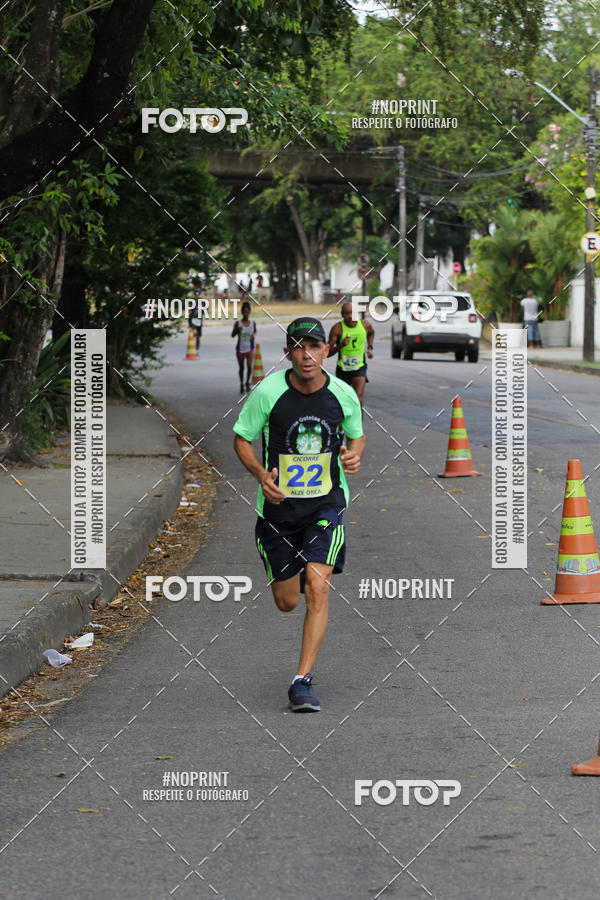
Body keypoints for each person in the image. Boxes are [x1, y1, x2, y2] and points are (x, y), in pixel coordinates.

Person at [233, 316, 365, 712]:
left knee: (318, 586)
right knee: (288, 601)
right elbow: (241, 438)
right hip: (277, 510)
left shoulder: (343, 394)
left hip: (326, 504)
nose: (307, 355)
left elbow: (356, 435)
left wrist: (355, 454)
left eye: (315, 347)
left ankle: (301, 681)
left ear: (327, 350)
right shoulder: (268, 393)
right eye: (298, 347)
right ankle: (300, 577)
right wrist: (260, 474)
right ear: (288, 352)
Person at [327, 301, 374, 408]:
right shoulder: (337, 329)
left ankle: (358, 425)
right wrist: (341, 345)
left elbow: (371, 333)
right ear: (342, 315)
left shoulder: (365, 325)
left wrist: (370, 347)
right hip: (343, 369)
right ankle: (343, 424)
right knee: (343, 401)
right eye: (347, 313)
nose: (350, 316)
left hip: (359, 368)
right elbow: (327, 353)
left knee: (358, 399)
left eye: (353, 313)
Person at [231, 301, 256, 393]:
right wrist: (237, 330)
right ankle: (241, 384)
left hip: (250, 348)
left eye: (247, 311)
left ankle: (247, 383)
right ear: (242, 312)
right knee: (241, 368)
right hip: (240, 349)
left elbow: (254, 332)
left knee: (249, 366)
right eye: (244, 311)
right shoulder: (238, 323)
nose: (246, 313)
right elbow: (232, 335)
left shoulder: (253, 323)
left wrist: (253, 336)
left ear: (249, 312)